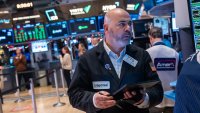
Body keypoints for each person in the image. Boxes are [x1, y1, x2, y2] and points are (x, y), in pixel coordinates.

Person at [68, 8, 163, 113]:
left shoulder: (141, 55)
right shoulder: (87, 59)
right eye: (122, 24)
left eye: (129, 24)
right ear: (106, 28)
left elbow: (157, 90)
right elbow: (74, 94)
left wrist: (145, 99)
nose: (128, 28)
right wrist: (93, 100)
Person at [146, 27, 179, 113]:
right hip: (173, 99)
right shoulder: (175, 53)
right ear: (162, 37)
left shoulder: (147, 53)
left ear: (151, 37)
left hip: (155, 99)